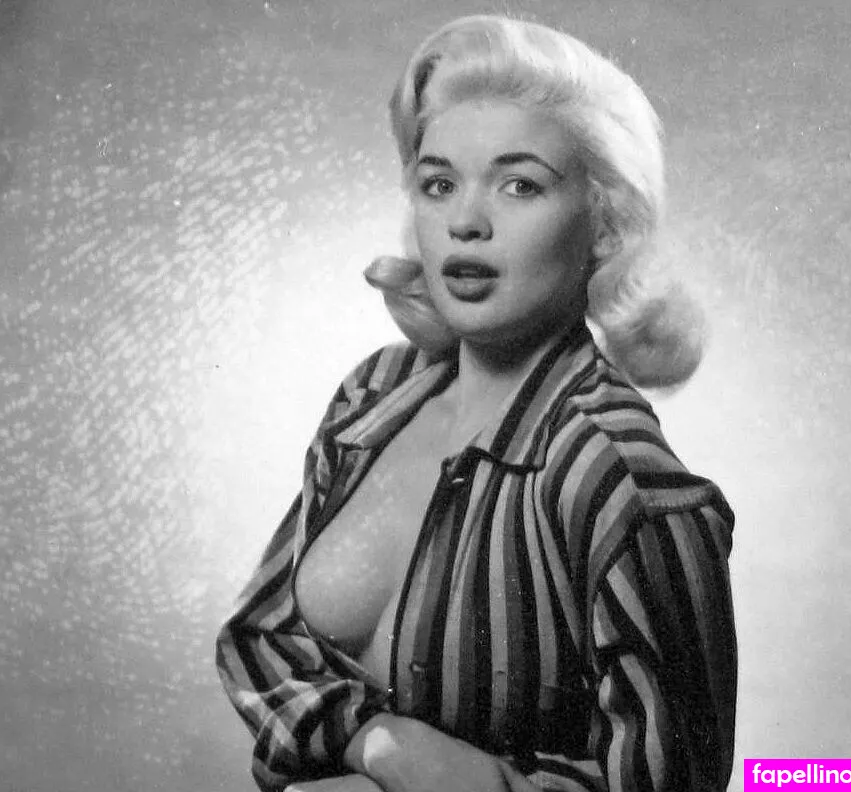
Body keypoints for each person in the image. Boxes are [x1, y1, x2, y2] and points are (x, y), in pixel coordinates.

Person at [216, 14, 737, 792]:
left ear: (605, 225)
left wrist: (458, 776)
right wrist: (372, 740)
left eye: (519, 184)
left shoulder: (619, 481)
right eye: (439, 184)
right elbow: (259, 638)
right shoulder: (374, 398)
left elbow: (671, 783)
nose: (465, 220)